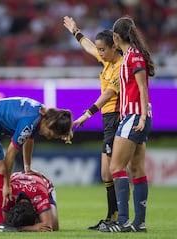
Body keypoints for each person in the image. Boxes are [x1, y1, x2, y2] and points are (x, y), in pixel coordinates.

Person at [0, 97, 73, 231]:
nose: (50, 137)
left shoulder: (39, 116)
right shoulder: (30, 120)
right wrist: (6, 184)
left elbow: (28, 140)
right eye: (53, 134)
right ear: (50, 124)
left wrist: (27, 168)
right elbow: (11, 153)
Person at [63, 16, 122, 230]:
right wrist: (75, 31)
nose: (99, 52)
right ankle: (112, 216)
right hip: (108, 119)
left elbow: (108, 94)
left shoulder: (120, 67)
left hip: (116, 117)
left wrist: (86, 115)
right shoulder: (108, 61)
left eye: (103, 49)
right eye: (99, 49)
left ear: (114, 47)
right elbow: (89, 47)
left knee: (114, 171)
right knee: (106, 174)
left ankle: (118, 218)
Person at [98, 16, 154, 233]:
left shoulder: (134, 57)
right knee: (136, 168)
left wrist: (139, 116)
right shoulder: (130, 55)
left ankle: (122, 221)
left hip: (133, 116)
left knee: (116, 167)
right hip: (136, 116)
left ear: (116, 36)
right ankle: (139, 223)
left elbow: (142, 88)